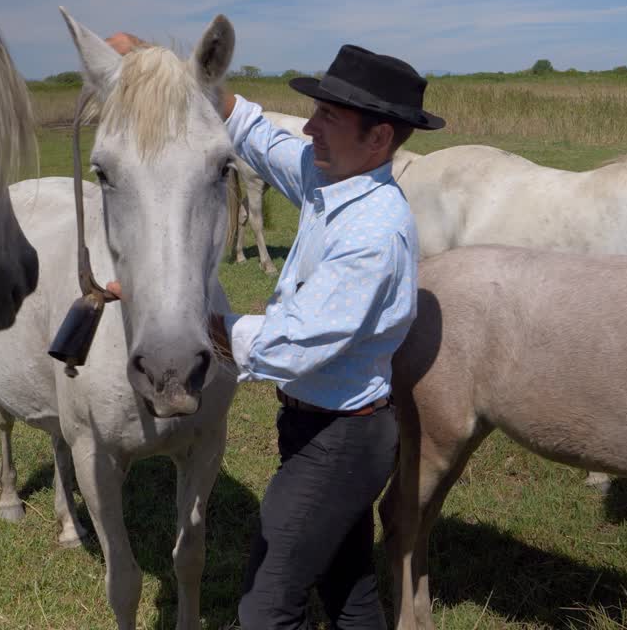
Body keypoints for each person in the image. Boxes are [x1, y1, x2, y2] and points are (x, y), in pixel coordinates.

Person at [105, 33, 444, 629]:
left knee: (266, 608)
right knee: (349, 590)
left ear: (379, 137)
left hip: (337, 446)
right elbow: (259, 139)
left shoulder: (372, 234)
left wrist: (188, 318)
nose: (310, 128)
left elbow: (295, 343)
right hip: (327, 430)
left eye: (328, 116)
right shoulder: (332, 183)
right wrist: (182, 74)